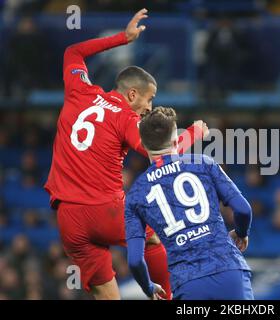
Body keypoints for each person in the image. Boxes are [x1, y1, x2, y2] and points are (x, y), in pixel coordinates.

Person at [44, 9, 207, 300]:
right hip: (103, 210)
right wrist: (193, 133)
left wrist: (123, 38)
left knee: (107, 296)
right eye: (149, 98)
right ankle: (171, 298)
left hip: (68, 219)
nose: (149, 106)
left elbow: (74, 52)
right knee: (154, 236)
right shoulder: (126, 118)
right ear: (132, 94)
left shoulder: (79, 91)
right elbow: (160, 154)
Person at [125, 107, 254, 300]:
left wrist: (148, 286)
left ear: (143, 145)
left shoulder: (135, 195)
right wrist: (241, 233)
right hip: (229, 269)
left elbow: (135, 261)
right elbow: (243, 210)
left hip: (187, 282)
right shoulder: (204, 163)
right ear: (176, 139)